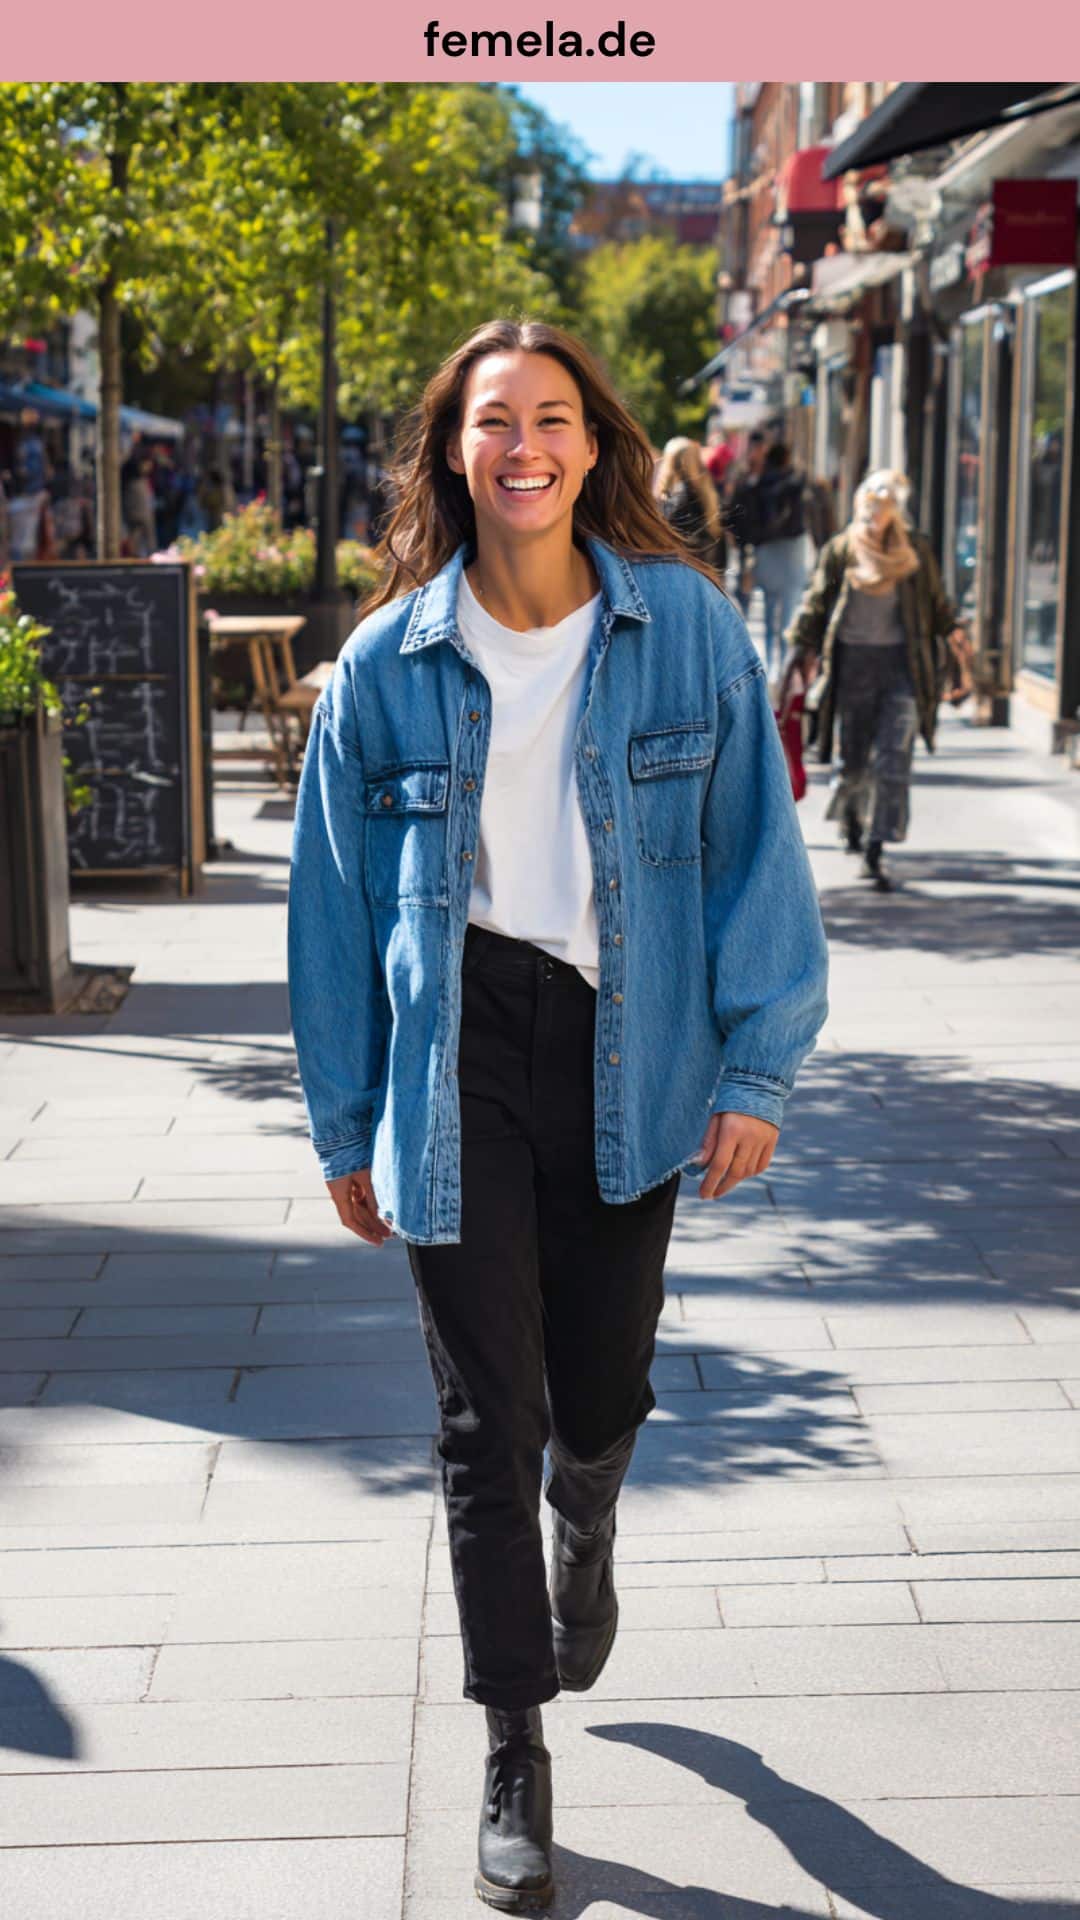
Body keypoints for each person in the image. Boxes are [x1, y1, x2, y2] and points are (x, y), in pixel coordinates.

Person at [287, 318, 828, 1914]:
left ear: (596, 444)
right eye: (488, 421)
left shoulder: (690, 635)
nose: (521, 445)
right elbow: (329, 915)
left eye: (550, 418)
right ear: (451, 453)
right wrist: (346, 1120)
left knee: (597, 1382)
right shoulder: (386, 666)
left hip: (632, 1040)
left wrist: (754, 1072)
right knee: (480, 1422)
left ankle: (587, 1512)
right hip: (461, 1046)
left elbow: (757, 862)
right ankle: (513, 1739)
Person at [786, 467, 965, 893]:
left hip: (903, 668)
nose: (873, 516)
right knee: (853, 762)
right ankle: (850, 818)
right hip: (852, 668)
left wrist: (959, 648)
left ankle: (876, 846)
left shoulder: (914, 551)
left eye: (881, 509)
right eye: (868, 508)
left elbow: (938, 607)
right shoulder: (843, 549)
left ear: (894, 513)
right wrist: (798, 647)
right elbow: (816, 603)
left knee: (893, 761)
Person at [753, 441, 809, 682]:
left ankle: (767, 662)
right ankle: (784, 663)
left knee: (768, 608)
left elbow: (745, 522)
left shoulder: (757, 485)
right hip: (792, 549)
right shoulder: (798, 484)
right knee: (789, 610)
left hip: (765, 549)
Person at [654, 435, 727, 574]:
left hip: (682, 573)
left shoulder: (676, 497)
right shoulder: (708, 492)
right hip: (706, 572)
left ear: (670, 461)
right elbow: (719, 536)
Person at [728, 427, 768, 617]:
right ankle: (744, 606)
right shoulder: (742, 474)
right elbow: (733, 504)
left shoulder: (770, 475)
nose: (757, 452)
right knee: (743, 575)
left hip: (765, 536)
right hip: (745, 534)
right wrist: (731, 531)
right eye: (754, 448)